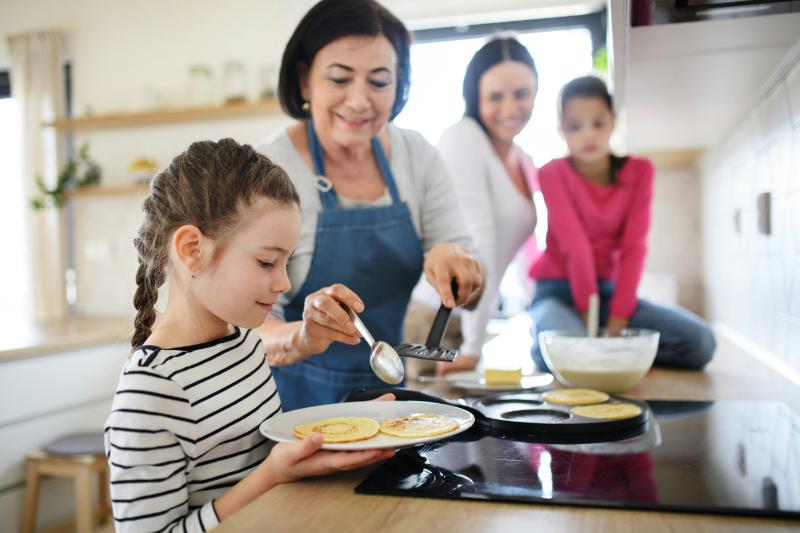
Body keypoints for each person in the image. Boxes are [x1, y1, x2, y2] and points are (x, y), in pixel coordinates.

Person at [105, 139, 395, 532]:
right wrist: (272, 475)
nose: (284, 283)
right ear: (192, 249)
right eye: (266, 262)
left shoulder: (242, 342)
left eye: (286, 262)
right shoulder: (151, 392)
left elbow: (254, 462)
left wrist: (340, 435)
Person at [257, 0, 483, 410]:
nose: (360, 101)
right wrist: (302, 337)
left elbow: (459, 250)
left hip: (390, 395)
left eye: (379, 82)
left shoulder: (416, 154)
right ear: (305, 80)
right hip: (294, 404)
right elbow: (245, 324)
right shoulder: (268, 172)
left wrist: (457, 260)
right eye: (340, 79)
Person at [528, 76, 716, 371]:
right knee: (566, 351)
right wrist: (589, 321)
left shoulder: (640, 172)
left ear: (614, 122)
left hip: (611, 294)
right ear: (561, 131)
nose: (587, 134)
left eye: (598, 122)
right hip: (558, 292)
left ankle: (601, 352)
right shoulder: (551, 173)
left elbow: (634, 248)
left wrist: (619, 317)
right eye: (575, 126)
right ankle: (601, 351)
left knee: (701, 344)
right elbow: (577, 248)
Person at [406, 35, 540, 377]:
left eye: (522, 93)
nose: (511, 108)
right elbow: (479, 245)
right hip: (437, 320)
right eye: (496, 96)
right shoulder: (463, 138)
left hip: (470, 320)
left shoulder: (522, 158)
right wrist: (471, 345)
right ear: (475, 96)